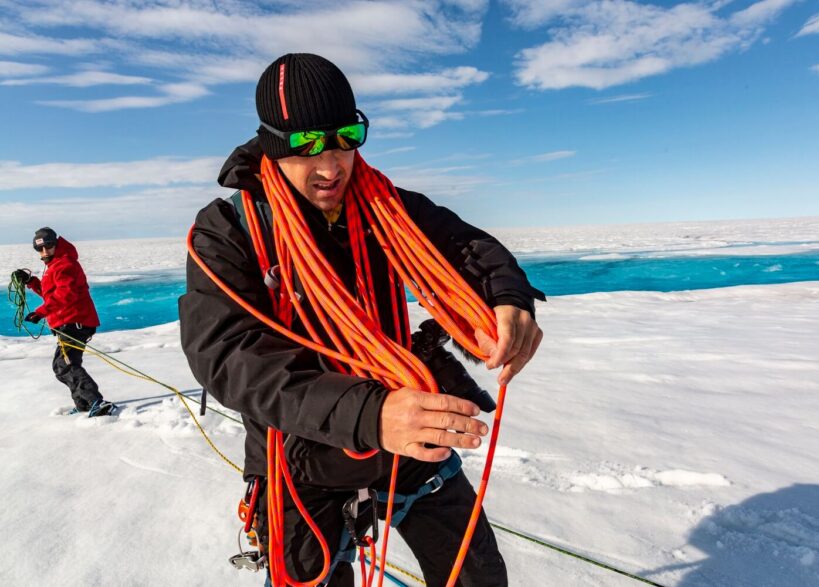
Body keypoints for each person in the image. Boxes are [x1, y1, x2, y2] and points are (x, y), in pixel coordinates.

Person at [179, 53, 545, 586]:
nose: (332, 165)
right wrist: (372, 415)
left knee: (479, 579)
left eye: (347, 136)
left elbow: (466, 246)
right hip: (300, 458)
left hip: (411, 438)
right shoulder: (228, 232)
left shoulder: (384, 204)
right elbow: (228, 357)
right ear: (274, 146)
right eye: (307, 146)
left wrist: (508, 297)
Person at [14, 228, 116, 417]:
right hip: (69, 322)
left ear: (56, 244)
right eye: (40, 249)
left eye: (48, 246)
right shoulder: (55, 265)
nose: (45, 252)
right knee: (66, 364)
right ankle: (84, 404)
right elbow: (51, 293)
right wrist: (31, 281)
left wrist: (40, 312)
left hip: (75, 322)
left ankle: (96, 403)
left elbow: (65, 295)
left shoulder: (65, 264)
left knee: (64, 365)